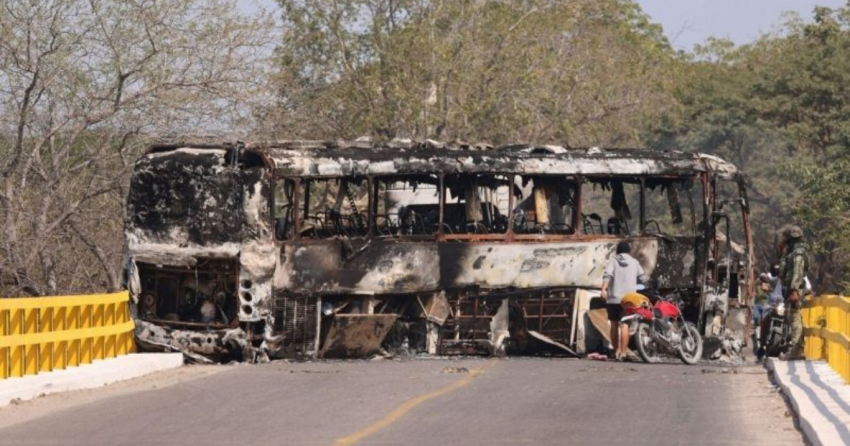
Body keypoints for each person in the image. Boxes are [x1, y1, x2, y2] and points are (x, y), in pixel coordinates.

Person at [601, 241, 647, 361]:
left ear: (618, 251)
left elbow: (607, 275)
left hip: (614, 298)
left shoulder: (613, 261)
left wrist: (603, 289)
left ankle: (616, 352)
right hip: (629, 299)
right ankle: (623, 352)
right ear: (628, 251)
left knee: (614, 324)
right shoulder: (635, 262)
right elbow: (643, 278)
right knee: (625, 324)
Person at [778, 225, 810, 361]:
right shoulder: (791, 251)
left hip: (794, 289)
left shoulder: (798, 252)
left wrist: (794, 290)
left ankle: (796, 351)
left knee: (795, 318)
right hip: (790, 288)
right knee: (793, 318)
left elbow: (797, 271)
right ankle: (798, 349)